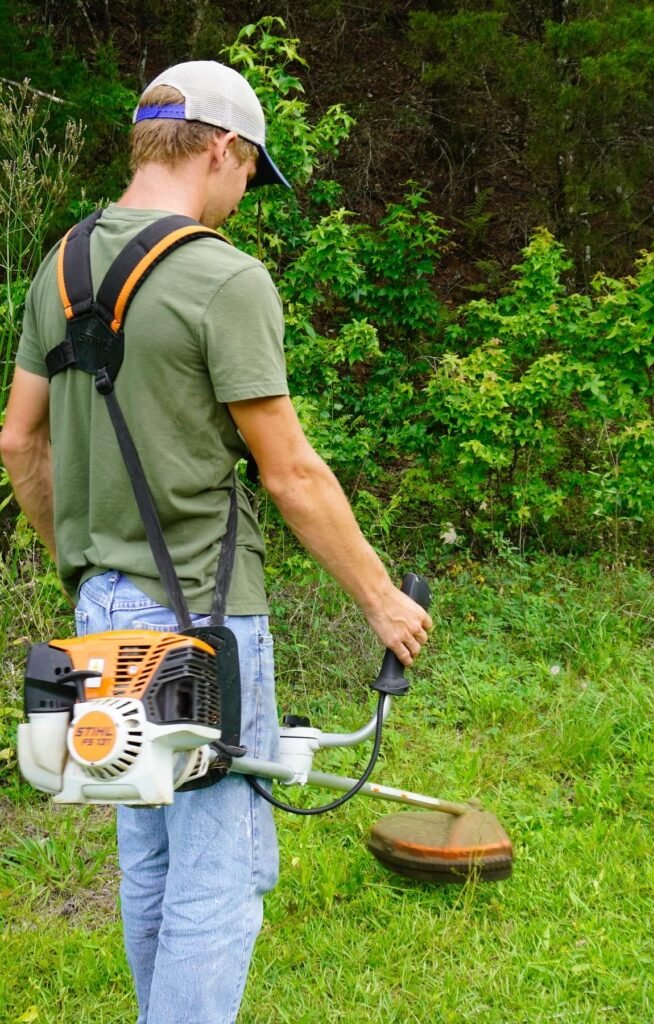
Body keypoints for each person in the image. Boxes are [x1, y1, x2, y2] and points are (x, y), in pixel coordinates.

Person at [0, 60, 432, 1024]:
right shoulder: (222, 278)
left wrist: (83, 559)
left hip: (100, 610)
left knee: (148, 857)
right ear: (223, 150)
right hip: (203, 617)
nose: (246, 198)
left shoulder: (60, 269)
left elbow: (18, 439)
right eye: (251, 175)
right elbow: (291, 474)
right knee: (217, 879)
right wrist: (380, 599)